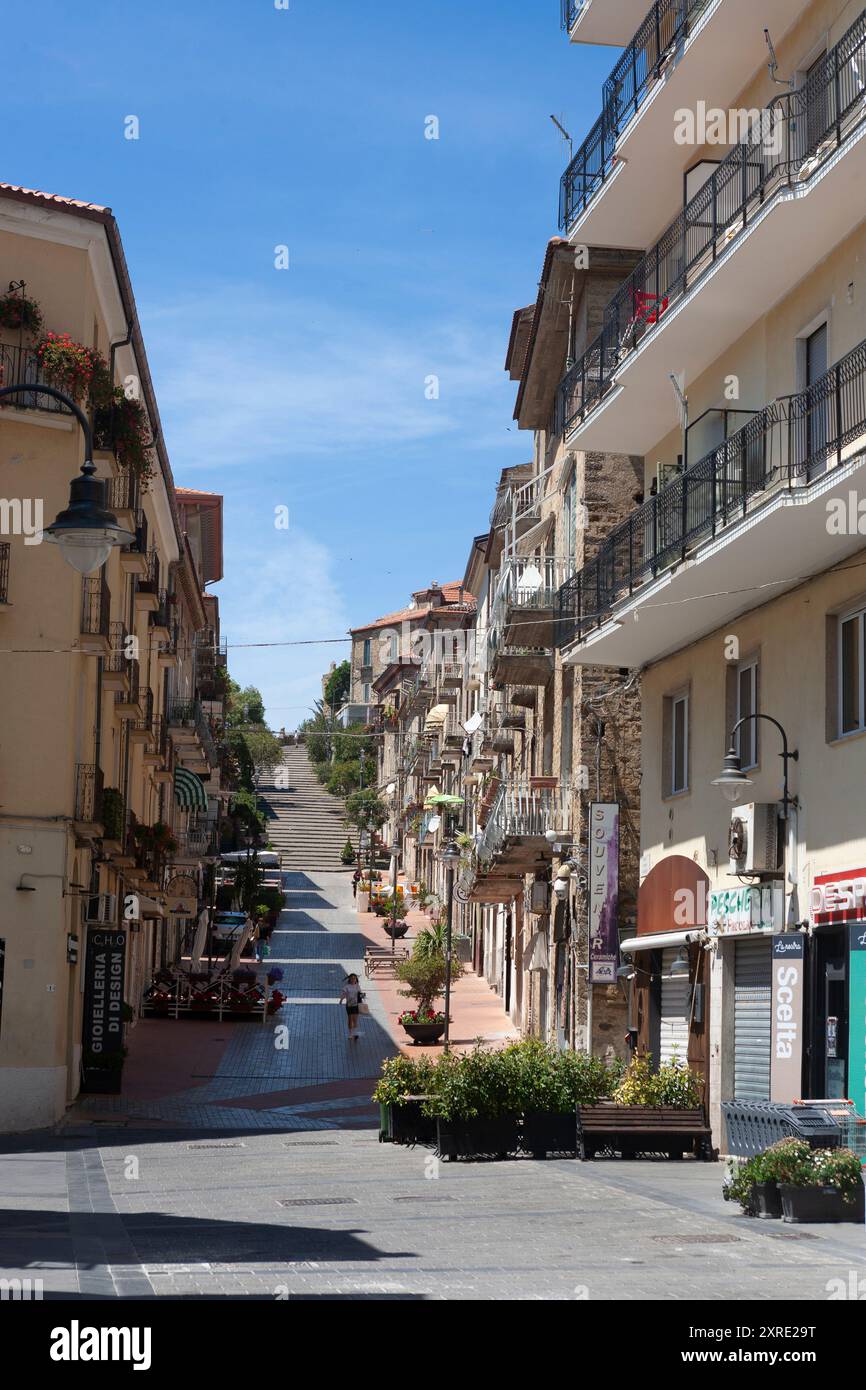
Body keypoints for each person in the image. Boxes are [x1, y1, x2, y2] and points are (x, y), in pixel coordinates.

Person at [339, 972, 365, 1040]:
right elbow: (344, 994)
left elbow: (360, 994)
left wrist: (363, 996)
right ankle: (350, 1034)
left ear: (356, 979)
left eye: (354, 978)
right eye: (352, 978)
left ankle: (355, 1033)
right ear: (349, 979)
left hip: (356, 1005)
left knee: (355, 1020)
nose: (353, 980)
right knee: (350, 1019)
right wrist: (341, 1000)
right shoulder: (346, 986)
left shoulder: (357, 986)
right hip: (349, 1005)